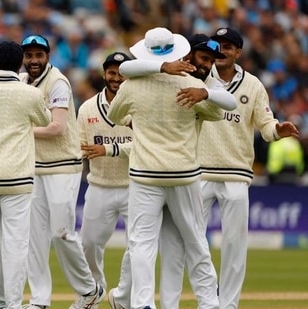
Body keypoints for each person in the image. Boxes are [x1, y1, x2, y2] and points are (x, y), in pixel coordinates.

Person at [116, 33, 238, 309]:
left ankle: (142, 303)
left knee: (142, 243)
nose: (208, 64)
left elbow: (114, 114)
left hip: (146, 174)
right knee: (195, 239)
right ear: (181, 53)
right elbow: (221, 111)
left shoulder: (133, 85)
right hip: (184, 174)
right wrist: (203, 92)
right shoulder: (192, 84)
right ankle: (209, 302)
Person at [199, 27, 299, 309]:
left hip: (236, 174)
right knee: (191, 241)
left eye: (228, 46)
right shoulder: (200, 76)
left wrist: (278, 129)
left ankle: (228, 305)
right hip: (199, 172)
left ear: (238, 52)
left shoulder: (253, 85)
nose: (222, 50)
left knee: (234, 246)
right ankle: (208, 300)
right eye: (217, 45)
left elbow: (266, 126)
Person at [20, 34, 105, 309]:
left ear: (48, 56)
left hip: (62, 166)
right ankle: (40, 300)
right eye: (29, 55)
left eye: (39, 55)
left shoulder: (57, 82)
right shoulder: (22, 82)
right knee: (35, 238)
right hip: (36, 167)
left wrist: (17, 131)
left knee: (62, 232)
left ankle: (89, 289)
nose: (34, 60)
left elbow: (57, 127)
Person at [0, 41, 50, 309]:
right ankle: (13, 304)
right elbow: (46, 120)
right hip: (17, 178)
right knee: (15, 245)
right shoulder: (30, 94)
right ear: (20, 64)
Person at [77, 52, 133, 292]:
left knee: (139, 246)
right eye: (112, 72)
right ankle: (95, 292)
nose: (116, 78)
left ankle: (124, 296)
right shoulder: (88, 108)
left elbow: (145, 145)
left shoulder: (138, 105)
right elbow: (79, 148)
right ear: (104, 74)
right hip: (99, 186)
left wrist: (108, 149)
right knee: (88, 244)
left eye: (121, 73)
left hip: (134, 186)